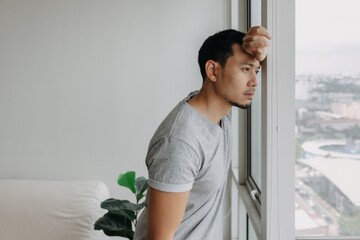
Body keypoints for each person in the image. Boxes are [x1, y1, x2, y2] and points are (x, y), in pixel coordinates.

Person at [134, 26, 271, 240]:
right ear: (213, 71)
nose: (254, 81)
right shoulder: (181, 142)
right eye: (245, 70)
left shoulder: (219, 117)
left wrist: (258, 40)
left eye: (257, 71)